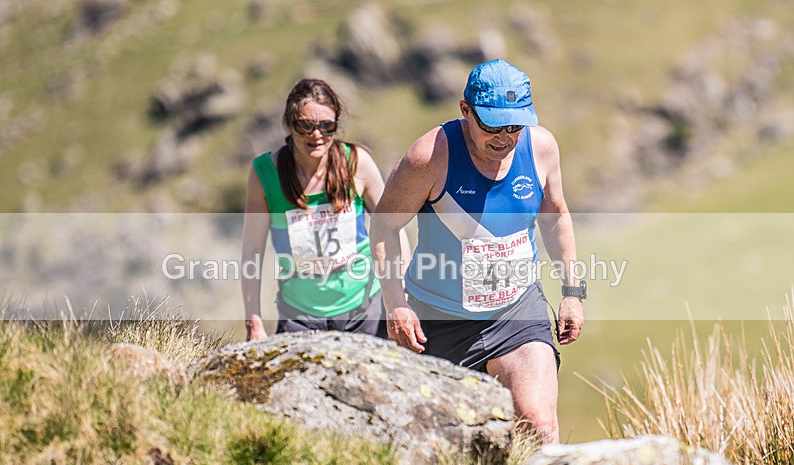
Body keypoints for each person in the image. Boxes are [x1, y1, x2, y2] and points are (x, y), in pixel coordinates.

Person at [370, 59, 584, 444]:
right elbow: (385, 225)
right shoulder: (429, 157)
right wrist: (396, 305)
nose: (504, 138)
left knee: (538, 425)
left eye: (514, 126)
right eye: (491, 126)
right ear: (465, 110)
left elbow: (554, 216)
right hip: (437, 322)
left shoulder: (541, 148)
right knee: (434, 446)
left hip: (517, 311)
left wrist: (573, 292)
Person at [241, 78, 408, 341]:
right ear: (287, 123)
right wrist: (254, 322)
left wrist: (402, 300)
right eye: (305, 125)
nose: (316, 135)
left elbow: (394, 228)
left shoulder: (358, 163)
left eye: (326, 126)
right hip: (299, 316)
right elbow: (252, 250)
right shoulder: (264, 173)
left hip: (364, 310)